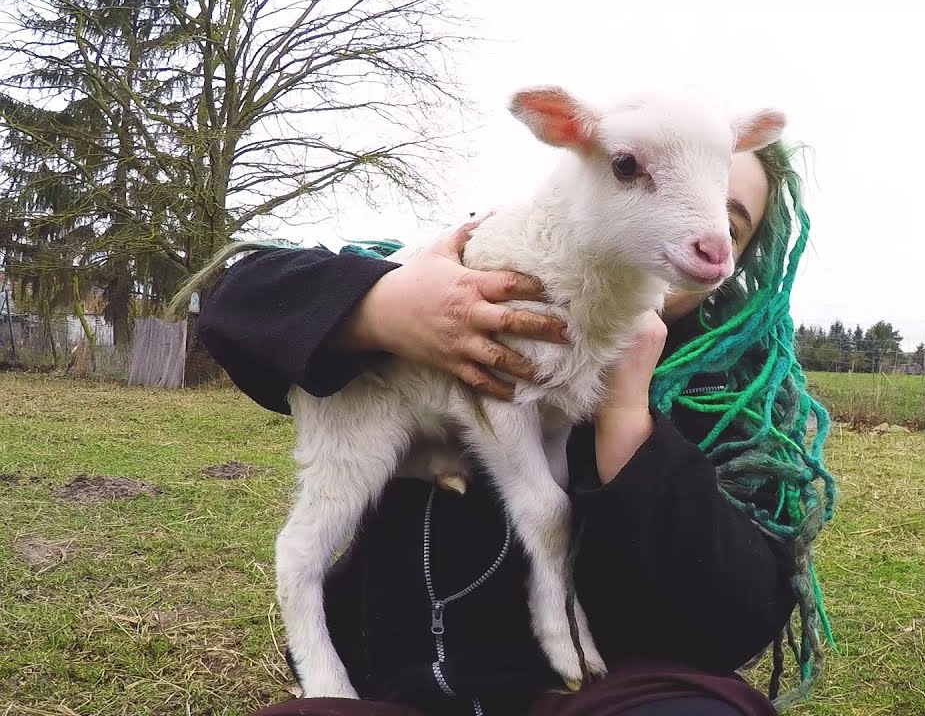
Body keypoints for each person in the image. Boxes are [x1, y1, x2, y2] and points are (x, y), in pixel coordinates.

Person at [196, 140, 837, 716]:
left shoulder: (728, 395)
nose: (691, 223)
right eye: (644, 177)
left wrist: (626, 418)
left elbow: (740, 618)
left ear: (741, 259)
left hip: (603, 695)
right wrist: (386, 310)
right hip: (394, 689)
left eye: (724, 222)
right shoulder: (475, 284)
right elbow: (234, 302)